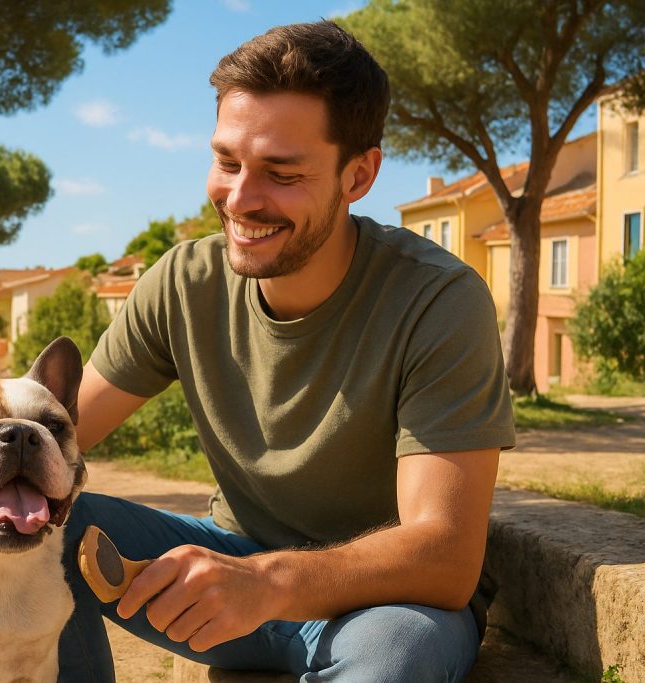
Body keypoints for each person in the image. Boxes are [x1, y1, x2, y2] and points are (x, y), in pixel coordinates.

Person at [58, 20, 515, 683]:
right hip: (227, 570)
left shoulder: (439, 301)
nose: (240, 198)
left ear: (359, 175)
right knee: (35, 533)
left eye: (281, 172)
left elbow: (444, 555)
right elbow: (52, 436)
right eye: (227, 161)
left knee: (397, 657)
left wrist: (266, 582)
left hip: (383, 605)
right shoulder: (182, 283)